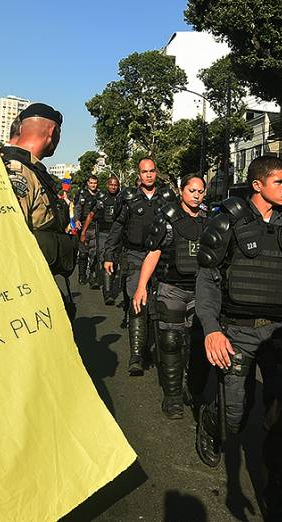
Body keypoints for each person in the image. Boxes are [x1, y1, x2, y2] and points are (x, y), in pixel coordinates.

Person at [195, 155, 282, 516]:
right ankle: (210, 418)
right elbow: (208, 279)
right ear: (258, 185)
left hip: (281, 333)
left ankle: (277, 492)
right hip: (237, 331)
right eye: (279, 182)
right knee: (235, 414)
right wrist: (212, 330)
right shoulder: (226, 223)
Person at [131, 173, 210, 418]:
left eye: (200, 191)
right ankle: (173, 397)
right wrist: (141, 286)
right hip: (171, 288)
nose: (196, 195)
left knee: (199, 344)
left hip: (201, 290)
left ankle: (193, 389)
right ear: (181, 191)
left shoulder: (210, 220)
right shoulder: (166, 218)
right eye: (191, 191)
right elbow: (153, 253)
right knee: (171, 343)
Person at [0, 103, 77, 317]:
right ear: (52, 132)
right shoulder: (18, 170)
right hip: (22, 291)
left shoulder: (30, 169)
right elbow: (9, 237)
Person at [103, 159, 175, 376]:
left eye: (152, 171)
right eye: (144, 172)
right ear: (139, 174)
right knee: (137, 301)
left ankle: (163, 352)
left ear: (157, 172)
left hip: (162, 258)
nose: (149, 175)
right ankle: (136, 355)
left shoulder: (167, 198)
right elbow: (117, 228)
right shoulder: (129, 198)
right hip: (135, 256)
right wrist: (109, 255)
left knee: (163, 306)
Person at [82, 175, 121, 305]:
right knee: (105, 260)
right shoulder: (101, 198)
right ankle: (108, 293)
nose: (113, 187)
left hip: (118, 235)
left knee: (115, 263)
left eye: (115, 185)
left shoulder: (122, 198)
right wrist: (84, 231)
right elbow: (91, 215)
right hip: (103, 233)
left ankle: (109, 281)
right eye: (111, 184)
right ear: (107, 185)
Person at [73, 175, 99, 286]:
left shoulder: (100, 195)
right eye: (91, 183)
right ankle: (82, 275)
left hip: (96, 227)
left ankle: (93, 276)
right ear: (88, 183)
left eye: (95, 183)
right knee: (83, 253)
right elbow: (77, 208)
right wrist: (77, 220)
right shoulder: (82, 194)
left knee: (95, 253)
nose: (93, 185)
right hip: (83, 226)